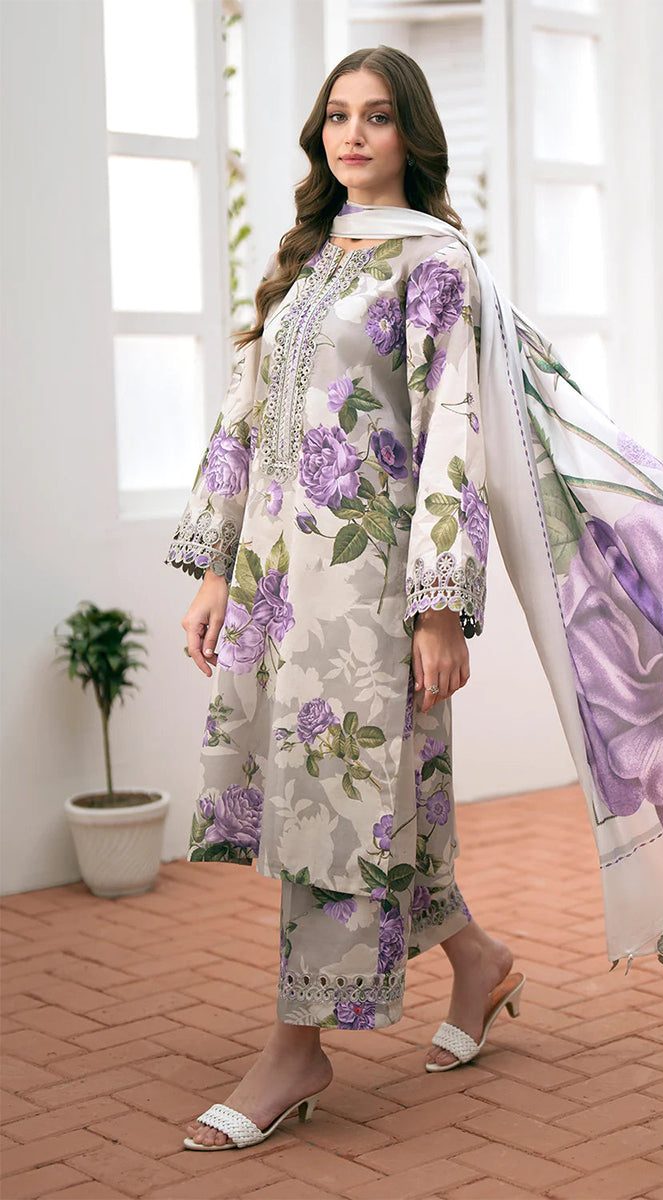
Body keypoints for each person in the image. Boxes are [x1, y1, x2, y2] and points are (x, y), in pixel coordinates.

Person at [167, 46, 526, 1151]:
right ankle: (478, 961)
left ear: (411, 133)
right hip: (282, 584)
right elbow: (244, 410)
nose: (352, 135)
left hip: (369, 588)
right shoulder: (312, 254)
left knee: (341, 799)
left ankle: (296, 1048)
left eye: (375, 116)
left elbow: (452, 426)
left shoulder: (435, 264)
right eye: (336, 115)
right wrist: (217, 567)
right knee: (376, 793)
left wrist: (437, 604)